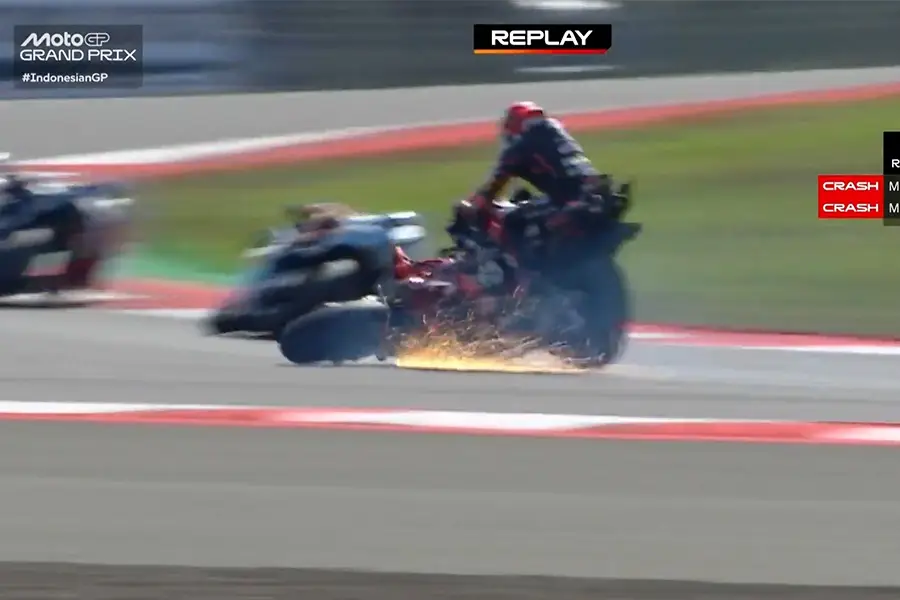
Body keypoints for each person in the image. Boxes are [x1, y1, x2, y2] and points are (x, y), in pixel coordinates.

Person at [456, 101, 614, 262]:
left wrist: (472, 206)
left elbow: (493, 187)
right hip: (598, 192)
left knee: (513, 221)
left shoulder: (521, 146)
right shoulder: (558, 135)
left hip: (571, 199)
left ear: (515, 124)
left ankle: (525, 269)